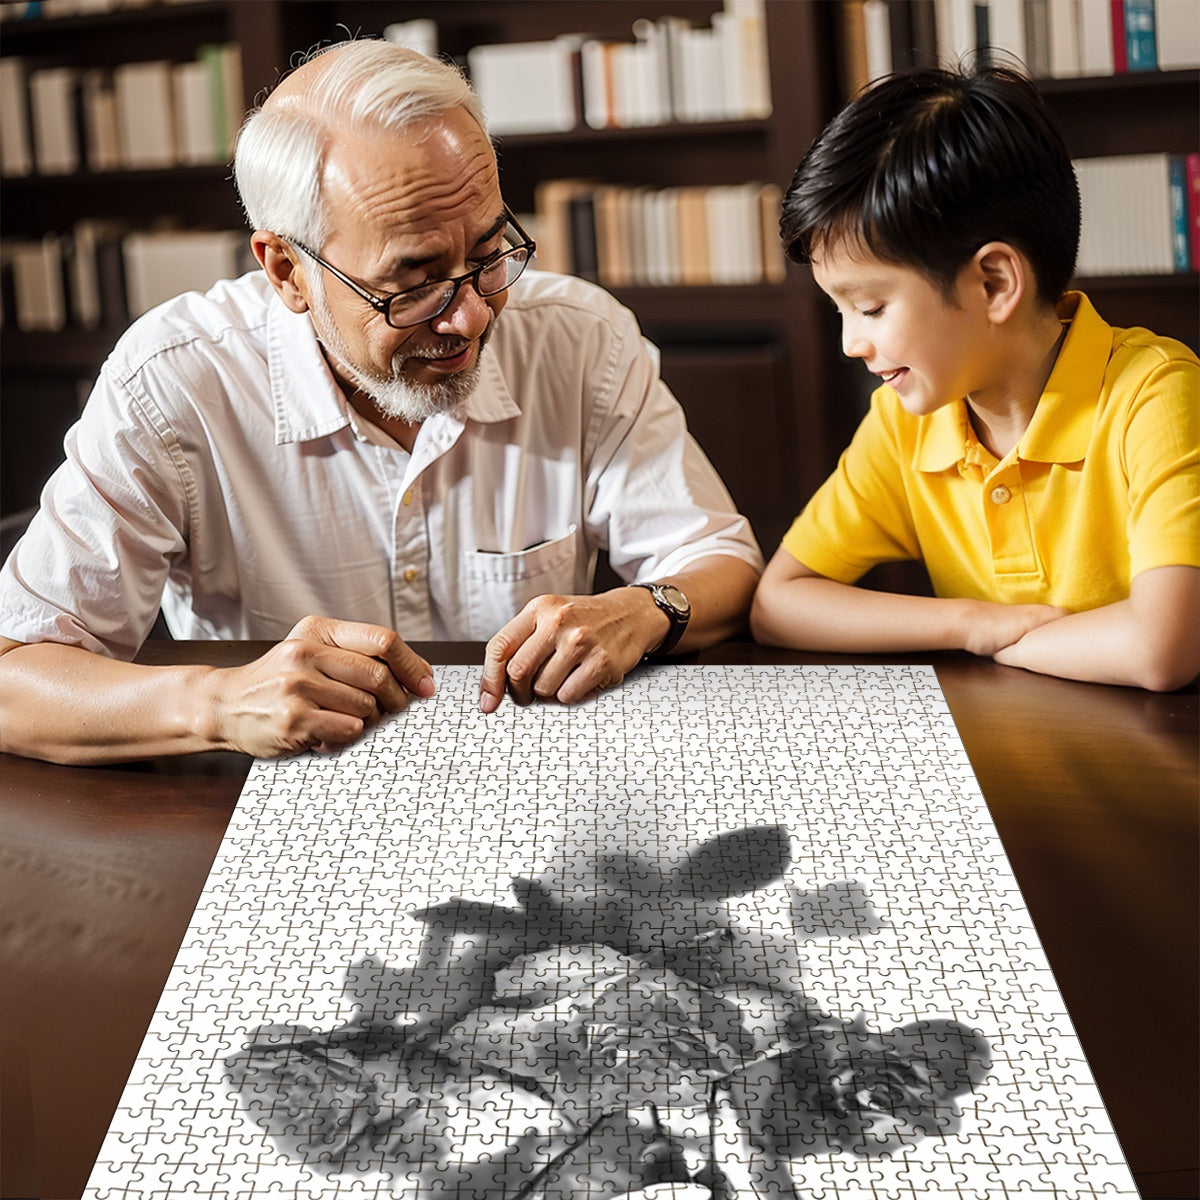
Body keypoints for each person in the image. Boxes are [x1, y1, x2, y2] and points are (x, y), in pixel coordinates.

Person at [0, 40, 762, 764]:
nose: (470, 317)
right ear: (287, 271)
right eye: (415, 280)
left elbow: (721, 561)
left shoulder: (581, 338)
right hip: (270, 810)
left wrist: (647, 608)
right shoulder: (173, 383)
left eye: (490, 254)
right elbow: (13, 677)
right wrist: (220, 701)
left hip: (541, 775)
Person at [750, 64, 1199, 691]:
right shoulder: (906, 420)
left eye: (872, 307)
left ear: (994, 283)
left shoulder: (1156, 394)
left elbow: (1163, 648)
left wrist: (1004, 641)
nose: (851, 342)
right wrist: (968, 623)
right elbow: (780, 603)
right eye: (840, 309)